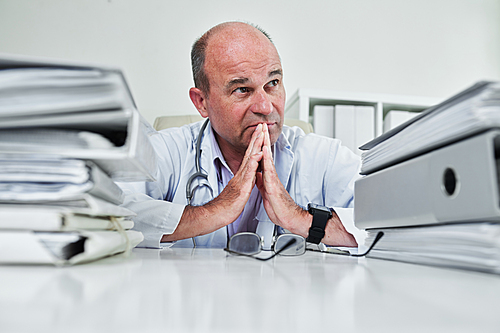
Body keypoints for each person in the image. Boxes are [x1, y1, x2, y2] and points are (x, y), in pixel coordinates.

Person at [118, 21, 362, 249]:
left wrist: (300, 218)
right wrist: (216, 210)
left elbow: (389, 225)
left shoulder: (324, 157)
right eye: (242, 90)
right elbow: (105, 212)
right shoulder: (168, 150)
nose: (265, 107)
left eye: (273, 83)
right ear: (202, 102)